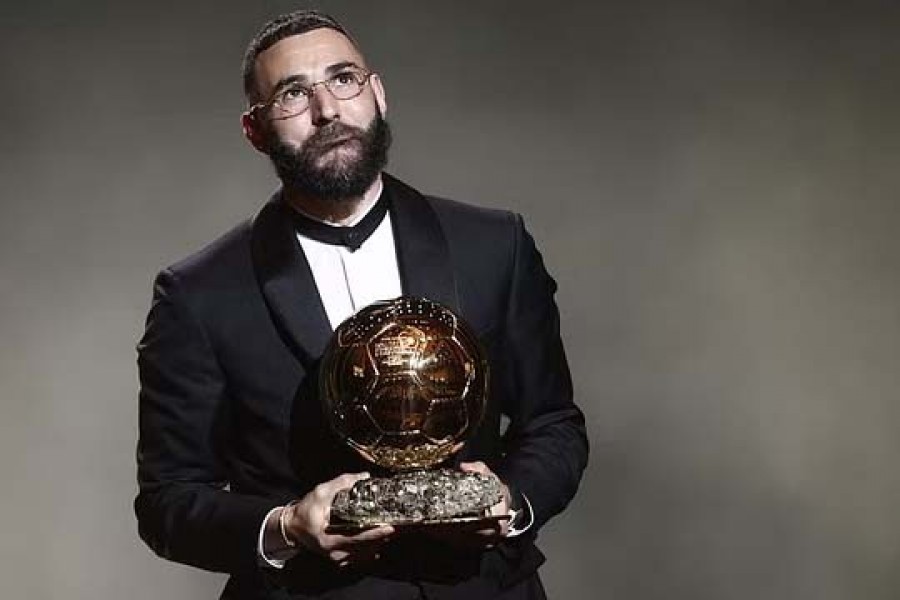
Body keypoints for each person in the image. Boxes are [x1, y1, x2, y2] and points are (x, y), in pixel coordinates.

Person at [135, 9, 588, 600]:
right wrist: (285, 526)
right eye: (293, 95)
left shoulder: (493, 245)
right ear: (255, 129)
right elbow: (168, 500)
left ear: (376, 93)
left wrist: (510, 501)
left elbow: (554, 425)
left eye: (343, 79)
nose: (328, 111)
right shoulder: (198, 294)